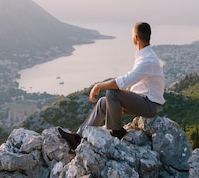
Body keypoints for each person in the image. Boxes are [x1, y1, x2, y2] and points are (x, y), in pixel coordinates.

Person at [58, 21, 165, 150]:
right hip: (142, 100)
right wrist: (121, 103)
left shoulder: (148, 60)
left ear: (136, 37)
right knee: (104, 102)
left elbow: (122, 82)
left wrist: (98, 86)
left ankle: (117, 131)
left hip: (149, 105)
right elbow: (133, 83)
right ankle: (78, 138)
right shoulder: (145, 56)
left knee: (112, 92)